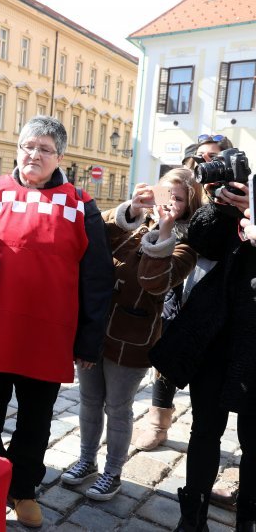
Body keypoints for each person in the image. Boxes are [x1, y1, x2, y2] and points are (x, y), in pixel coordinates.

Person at [0, 115, 114, 528]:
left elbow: (97, 277)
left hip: (48, 335)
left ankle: (24, 488)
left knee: (36, 419)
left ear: (60, 157)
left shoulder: (80, 204)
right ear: (18, 148)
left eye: (45, 149)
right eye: (29, 146)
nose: (34, 155)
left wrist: (88, 341)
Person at [61, 169, 200, 502]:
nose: (168, 204)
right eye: (164, 194)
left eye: (178, 199)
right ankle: (86, 460)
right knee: (90, 401)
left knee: (118, 408)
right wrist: (133, 211)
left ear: (188, 207)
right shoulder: (132, 224)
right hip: (95, 331)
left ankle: (113, 473)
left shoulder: (185, 245)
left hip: (132, 340)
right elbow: (93, 233)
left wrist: (164, 230)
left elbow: (155, 282)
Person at [150, 177, 254, 531]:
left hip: (253, 341)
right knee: (206, 428)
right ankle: (192, 515)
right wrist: (223, 206)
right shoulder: (227, 205)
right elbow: (200, 238)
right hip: (213, 338)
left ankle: (247, 519)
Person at [135, 134, 234, 452]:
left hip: (208, 285)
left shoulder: (230, 193)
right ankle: (157, 422)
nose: (207, 163)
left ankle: (203, 431)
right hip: (173, 283)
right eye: (201, 156)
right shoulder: (177, 181)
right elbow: (155, 218)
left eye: (214, 157)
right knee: (166, 357)